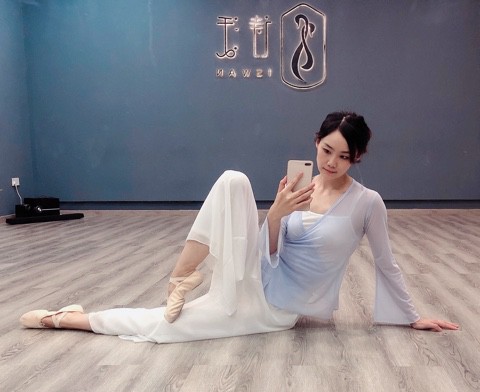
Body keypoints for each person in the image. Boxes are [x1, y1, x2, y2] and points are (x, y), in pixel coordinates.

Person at [19, 111, 459, 341]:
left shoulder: (367, 203)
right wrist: (276, 214)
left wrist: (412, 317)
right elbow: (272, 251)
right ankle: (181, 275)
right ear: (316, 143)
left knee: (168, 328)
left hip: (276, 309)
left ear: (357, 158)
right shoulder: (298, 186)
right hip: (255, 273)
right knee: (233, 179)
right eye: (327, 150)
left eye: (344, 156)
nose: (331, 162)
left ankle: (68, 319)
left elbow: (386, 263)